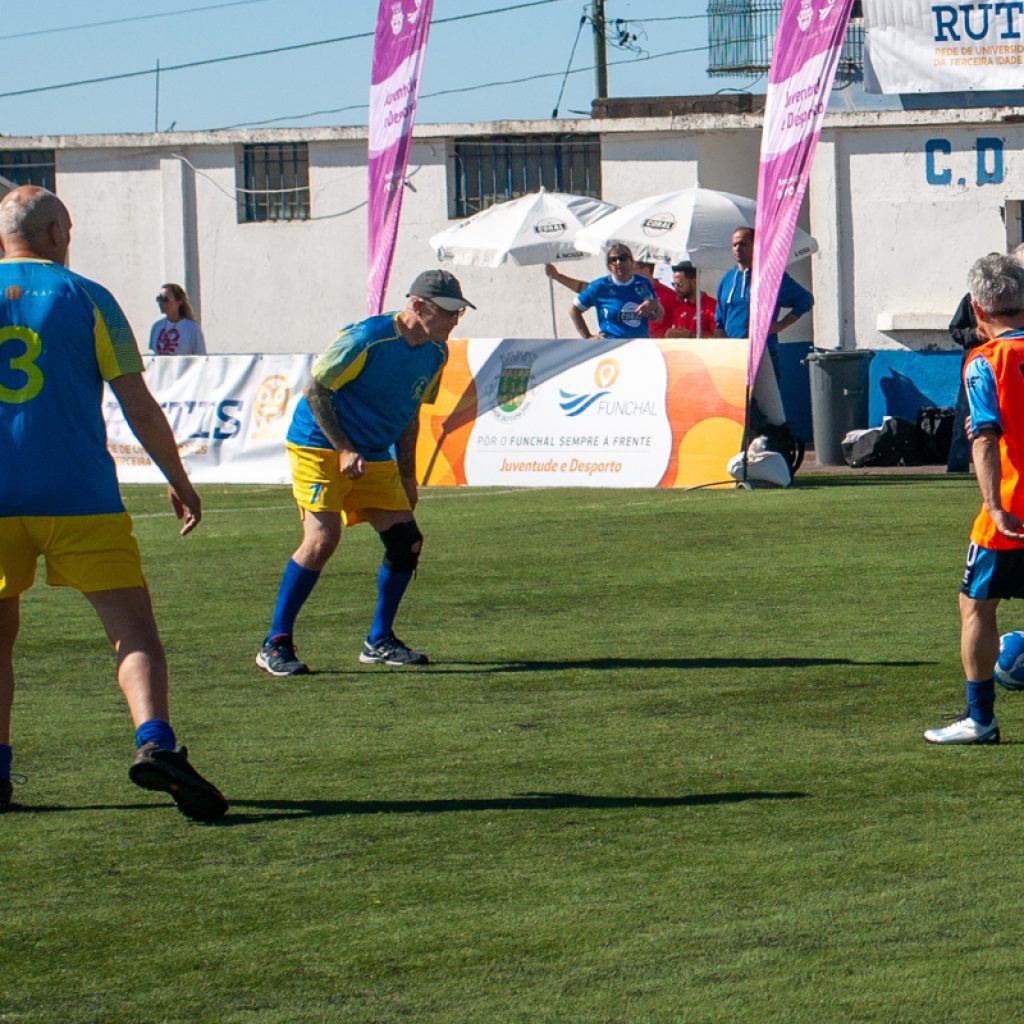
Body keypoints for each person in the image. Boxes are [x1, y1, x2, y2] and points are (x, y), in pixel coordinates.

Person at [0, 186, 226, 819]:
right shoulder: (87, 297)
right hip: (78, 494)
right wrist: (179, 480)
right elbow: (137, 404)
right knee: (133, 631)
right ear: (54, 235)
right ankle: (155, 744)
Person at [256, 269, 475, 676]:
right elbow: (315, 390)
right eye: (447, 313)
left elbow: (410, 414)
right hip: (318, 443)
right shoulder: (368, 338)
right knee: (322, 540)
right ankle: (276, 642)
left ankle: (379, 640)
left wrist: (407, 477)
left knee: (406, 542)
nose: (453, 321)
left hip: (372, 452)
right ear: (417, 306)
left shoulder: (436, 353)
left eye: (458, 314)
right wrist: (343, 448)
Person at [924, 253, 1024, 745]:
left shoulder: (985, 361)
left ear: (976, 308)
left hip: (1013, 506)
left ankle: (980, 720)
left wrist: (993, 505)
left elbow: (983, 436)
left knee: (977, 605)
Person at [714, 226, 814, 374]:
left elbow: (805, 299)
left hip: (763, 354)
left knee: (764, 397)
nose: (738, 248)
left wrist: (780, 325)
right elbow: (720, 320)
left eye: (743, 244)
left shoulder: (770, 277)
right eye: (734, 245)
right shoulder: (727, 279)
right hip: (734, 354)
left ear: (755, 246)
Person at [567, 244, 663, 340]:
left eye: (623, 258)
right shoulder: (599, 286)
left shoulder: (643, 282)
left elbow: (658, 316)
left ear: (631, 262)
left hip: (640, 345)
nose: (618, 263)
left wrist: (655, 305)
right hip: (612, 346)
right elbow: (573, 310)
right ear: (609, 266)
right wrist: (588, 337)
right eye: (613, 260)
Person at [150, 283, 206, 355]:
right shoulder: (157, 327)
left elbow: (200, 355)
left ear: (179, 302)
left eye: (165, 299)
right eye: (159, 299)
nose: (161, 303)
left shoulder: (191, 327)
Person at [664, 260, 717, 338]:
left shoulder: (712, 306)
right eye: (673, 285)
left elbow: (719, 338)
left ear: (694, 282)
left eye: (679, 284)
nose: (676, 289)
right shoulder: (680, 309)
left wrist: (692, 336)